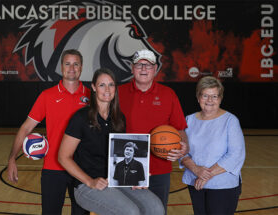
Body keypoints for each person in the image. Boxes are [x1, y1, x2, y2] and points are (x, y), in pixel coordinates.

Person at [58, 68, 165, 215]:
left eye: (111, 85)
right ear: (94, 87)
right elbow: (63, 157)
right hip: (86, 186)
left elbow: (121, 157)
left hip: (115, 180)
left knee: (156, 208)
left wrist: (135, 178)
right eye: (102, 85)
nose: (107, 89)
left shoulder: (119, 119)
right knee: (130, 212)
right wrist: (90, 181)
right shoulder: (81, 118)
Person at [7, 49, 90, 215]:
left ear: (81, 67)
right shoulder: (47, 96)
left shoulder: (92, 95)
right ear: (61, 67)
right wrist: (12, 159)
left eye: (76, 64)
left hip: (83, 169)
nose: (72, 68)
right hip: (53, 168)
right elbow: (26, 127)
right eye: (68, 64)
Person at [118, 49, 189, 214]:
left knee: (157, 211)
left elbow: (180, 129)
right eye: (139, 65)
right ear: (132, 68)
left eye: (148, 65)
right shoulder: (117, 93)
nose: (143, 68)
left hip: (159, 169)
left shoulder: (168, 94)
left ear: (155, 68)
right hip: (125, 168)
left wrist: (184, 146)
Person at [180, 76, 246, 215]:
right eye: (205, 95)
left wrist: (205, 176)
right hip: (195, 182)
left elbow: (236, 155)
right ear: (198, 97)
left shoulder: (230, 121)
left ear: (220, 98)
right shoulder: (189, 120)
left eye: (214, 96)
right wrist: (196, 170)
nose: (209, 100)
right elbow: (182, 151)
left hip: (223, 185)